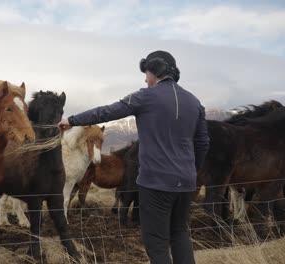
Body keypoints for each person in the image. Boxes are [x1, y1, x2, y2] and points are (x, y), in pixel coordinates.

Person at [58, 50, 209, 264]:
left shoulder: (144, 97)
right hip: (185, 183)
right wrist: (191, 171)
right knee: (180, 234)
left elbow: (107, 112)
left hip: (155, 183)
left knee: (156, 242)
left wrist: (72, 120)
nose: (145, 79)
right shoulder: (194, 102)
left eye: (146, 73)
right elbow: (203, 143)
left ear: (156, 71)